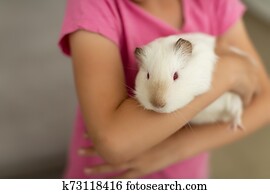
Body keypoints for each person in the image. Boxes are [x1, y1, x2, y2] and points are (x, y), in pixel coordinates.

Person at [58, 0, 270, 178]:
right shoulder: (93, 6)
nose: (158, 100)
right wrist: (229, 70)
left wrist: (176, 149)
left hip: (186, 172)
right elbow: (113, 143)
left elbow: (265, 100)